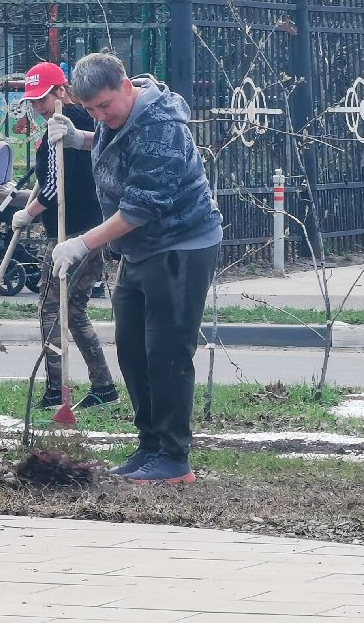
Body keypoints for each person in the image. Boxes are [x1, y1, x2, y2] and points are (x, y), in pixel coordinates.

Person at [47, 52, 223, 486]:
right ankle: (150, 445)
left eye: (105, 106)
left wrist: (81, 244)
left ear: (127, 86)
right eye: (90, 110)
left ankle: (174, 458)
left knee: (166, 354)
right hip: (142, 251)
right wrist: (79, 138)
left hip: (181, 246)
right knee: (132, 349)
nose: (100, 116)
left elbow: (141, 208)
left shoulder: (163, 126)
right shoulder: (117, 119)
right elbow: (119, 146)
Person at [11, 61, 120, 410]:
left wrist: (27, 214)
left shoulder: (72, 125)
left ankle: (56, 390)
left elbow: (55, 190)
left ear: (61, 91)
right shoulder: (82, 122)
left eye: (41, 98)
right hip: (88, 228)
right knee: (72, 309)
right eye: (32, 101)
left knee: (50, 307)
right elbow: (50, 181)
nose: (37, 107)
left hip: (75, 233)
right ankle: (103, 387)